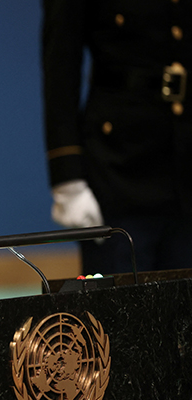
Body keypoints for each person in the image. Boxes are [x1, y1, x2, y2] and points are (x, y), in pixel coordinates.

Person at [42, 0, 192, 275]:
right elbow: (60, 69)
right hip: (118, 172)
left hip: (184, 171)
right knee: (117, 312)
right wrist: (68, 181)